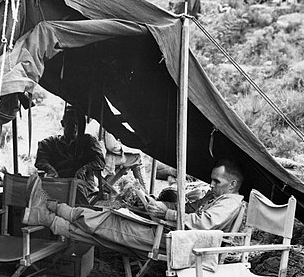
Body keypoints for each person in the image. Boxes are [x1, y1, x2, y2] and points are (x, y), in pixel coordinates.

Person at [22, 158, 245, 253]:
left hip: (177, 242)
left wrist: (166, 213)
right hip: (171, 232)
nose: (212, 185)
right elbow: (190, 211)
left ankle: (48, 208)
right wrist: (160, 207)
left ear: (232, 184)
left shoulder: (230, 202)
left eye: (217, 182)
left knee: (110, 221)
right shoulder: (218, 197)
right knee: (104, 226)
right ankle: (46, 214)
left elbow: (201, 224)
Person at [35, 106, 105, 203]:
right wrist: (50, 170)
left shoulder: (88, 141)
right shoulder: (50, 142)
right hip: (57, 180)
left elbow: (100, 161)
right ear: (63, 124)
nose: (75, 128)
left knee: (75, 190)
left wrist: (84, 169)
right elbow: (41, 160)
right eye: (71, 124)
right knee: (41, 191)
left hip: (81, 183)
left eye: (77, 125)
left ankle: (79, 214)